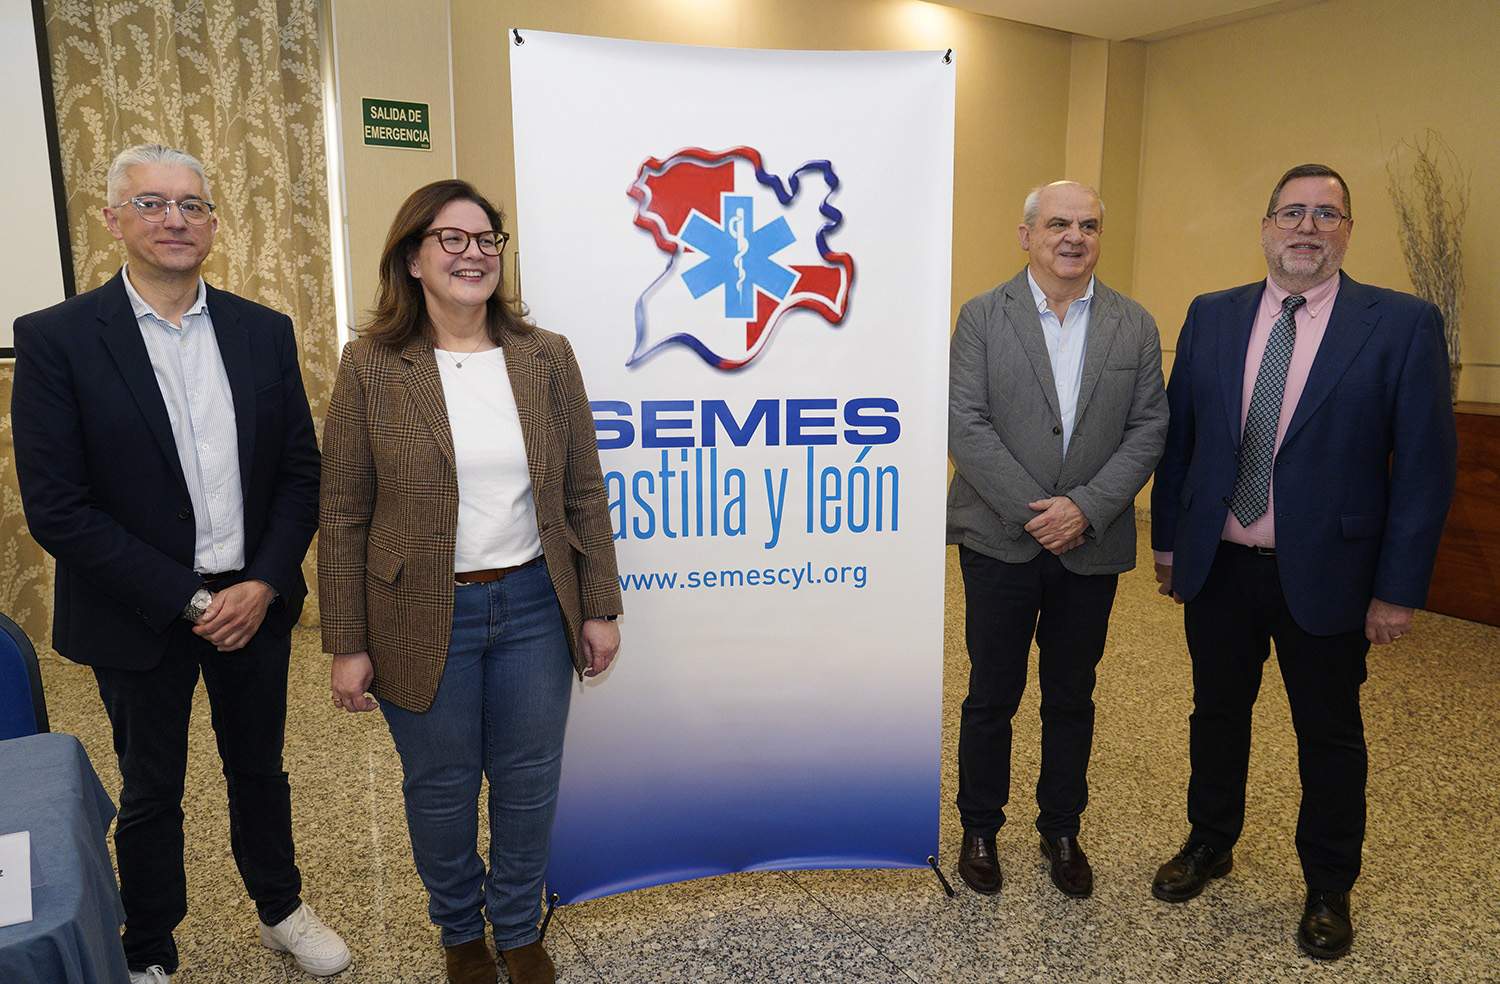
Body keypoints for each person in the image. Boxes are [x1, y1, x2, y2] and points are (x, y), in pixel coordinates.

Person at [10, 144, 350, 983]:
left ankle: (281, 909)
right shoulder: (55, 339)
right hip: (140, 610)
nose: (174, 220)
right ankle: (150, 947)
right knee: (151, 788)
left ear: (213, 223)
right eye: (153, 203)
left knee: (260, 770)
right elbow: (58, 506)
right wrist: (193, 602)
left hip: (255, 598)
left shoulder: (261, 330)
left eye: (192, 205)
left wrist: (262, 583)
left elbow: (300, 473)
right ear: (113, 219)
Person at [1149, 164, 1457, 959]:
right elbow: (1183, 440)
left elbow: (1425, 469)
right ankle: (1210, 841)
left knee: (1329, 733)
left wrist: (1397, 590)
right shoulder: (1212, 316)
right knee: (1216, 713)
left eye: (1327, 214)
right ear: (1265, 226)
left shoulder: (1398, 324)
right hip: (1220, 562)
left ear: (1347, 231)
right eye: (1292, 212)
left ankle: (1327, 885)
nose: (1307, 228)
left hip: (1330, 576)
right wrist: (1169, 543)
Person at [319, 179, 622, 984]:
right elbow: (344, 511)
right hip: (418, 611)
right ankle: (459, 929)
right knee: (442, 787)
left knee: (528, 783)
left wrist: (600, 607)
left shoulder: (545, 357)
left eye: (486, 239)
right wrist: (345, 643)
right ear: (412, 259)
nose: (473, 253)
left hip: (531, 604)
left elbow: (583, 492)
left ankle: (518, 927)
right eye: (450, 239)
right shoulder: (373, 366)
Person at [947, 180, 1168, 898]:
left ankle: (1061, 828)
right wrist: (1038, 511)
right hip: (999, 540)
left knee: (1073, 695)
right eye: (1059, 224)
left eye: (1089, 225)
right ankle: (980, 827)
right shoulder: (983, 316)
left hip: (1091, 545)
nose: (1074, 237)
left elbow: (1148, 429)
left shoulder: (1134, 325)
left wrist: (1086, 508)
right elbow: (966, 424)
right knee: (992, 693)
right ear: (1027, 234)